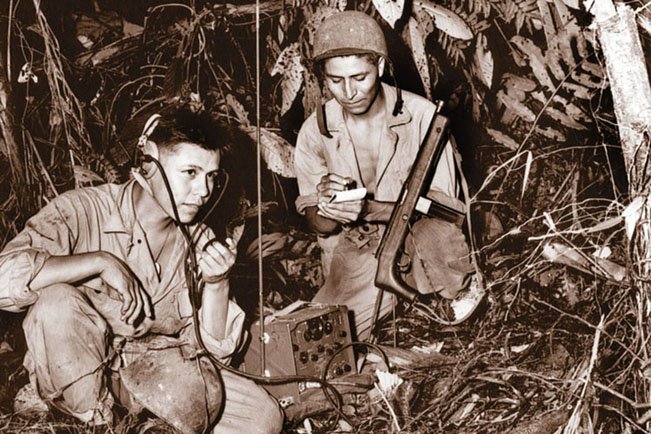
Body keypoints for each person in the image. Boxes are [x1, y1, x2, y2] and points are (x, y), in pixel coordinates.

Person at [0, 106, 283, 433]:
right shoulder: (82, 211)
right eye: (190, 173)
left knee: (263, 417)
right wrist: (100, 261)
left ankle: (146, 422)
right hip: (79, 369)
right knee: (55, 302)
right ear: (146, 164)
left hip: (153, 368)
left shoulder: (198, 240)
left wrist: (217, 283)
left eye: (212, 177)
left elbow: (211, 354)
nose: (204, 191)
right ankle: (95, 422)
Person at [294, 11, 481, 341]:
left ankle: (451, 300)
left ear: (379, 67)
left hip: (420, 243)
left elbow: (448, 212)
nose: (349, 92)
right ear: (323, 77)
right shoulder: (316, 130)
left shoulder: (422, 117)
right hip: (357, 252)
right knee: (316, 342)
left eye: (359, 77)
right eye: (336, 81)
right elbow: (317, 223)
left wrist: (368, 208)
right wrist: (326, 208)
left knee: (436, 244)